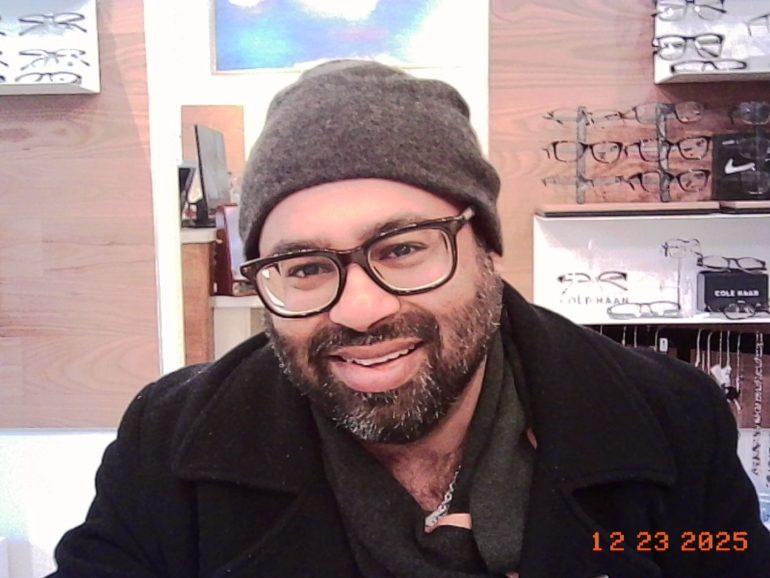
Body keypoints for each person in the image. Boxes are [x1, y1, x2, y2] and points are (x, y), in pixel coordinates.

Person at [49, 60, 769, 578]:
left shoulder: (667, 416)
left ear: (485, 244)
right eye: (303, 267)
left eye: (402, 249)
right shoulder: (173, 440)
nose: (361, 309)